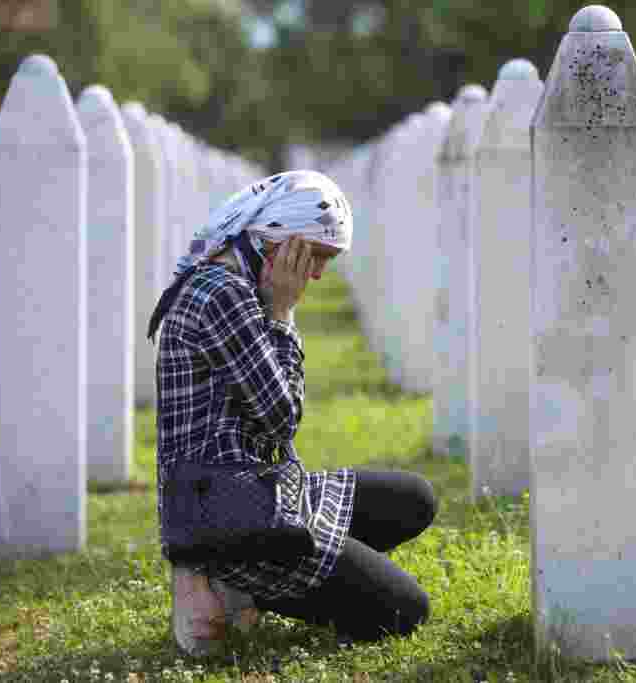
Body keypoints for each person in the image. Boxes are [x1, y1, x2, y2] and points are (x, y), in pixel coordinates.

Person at [147, 170, 438, 657]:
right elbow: (281, 419)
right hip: (236, 519)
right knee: (406, 610)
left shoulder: (232, 281)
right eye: (318, 257)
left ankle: (261, 581)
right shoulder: (226, 295)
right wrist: (283, 314)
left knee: (414, 499)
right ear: (282, 240)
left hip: (256, 488)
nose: (319, 273)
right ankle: (235, 580)